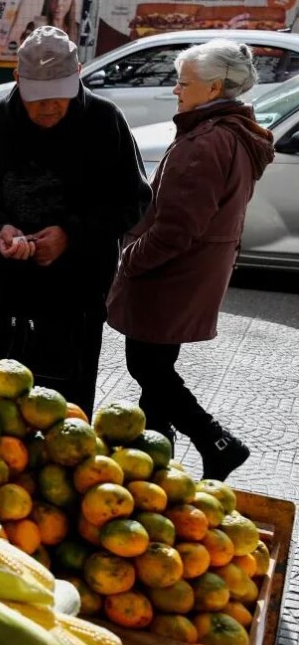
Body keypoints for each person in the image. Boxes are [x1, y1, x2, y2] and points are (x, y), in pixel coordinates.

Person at [0, 25, 151, 413]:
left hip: (77, 296)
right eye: (37, 97)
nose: (48, 107)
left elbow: (134, 201)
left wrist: (71, 235)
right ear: (17, 80)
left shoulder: (105, 122)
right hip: (4, 290)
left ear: (78, 75)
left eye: (59, 95)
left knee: (65, 409)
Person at [106, 40, 274, 480]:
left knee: (148, 367)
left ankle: (217, 442)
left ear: (214, 87)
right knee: (156, 369)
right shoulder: (230, 132)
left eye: (184, 83)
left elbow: (176, 229)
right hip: (191, 276)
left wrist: (130, 259)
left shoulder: (205, 143)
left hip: (169, 278)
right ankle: (154, 462)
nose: (176, 90)